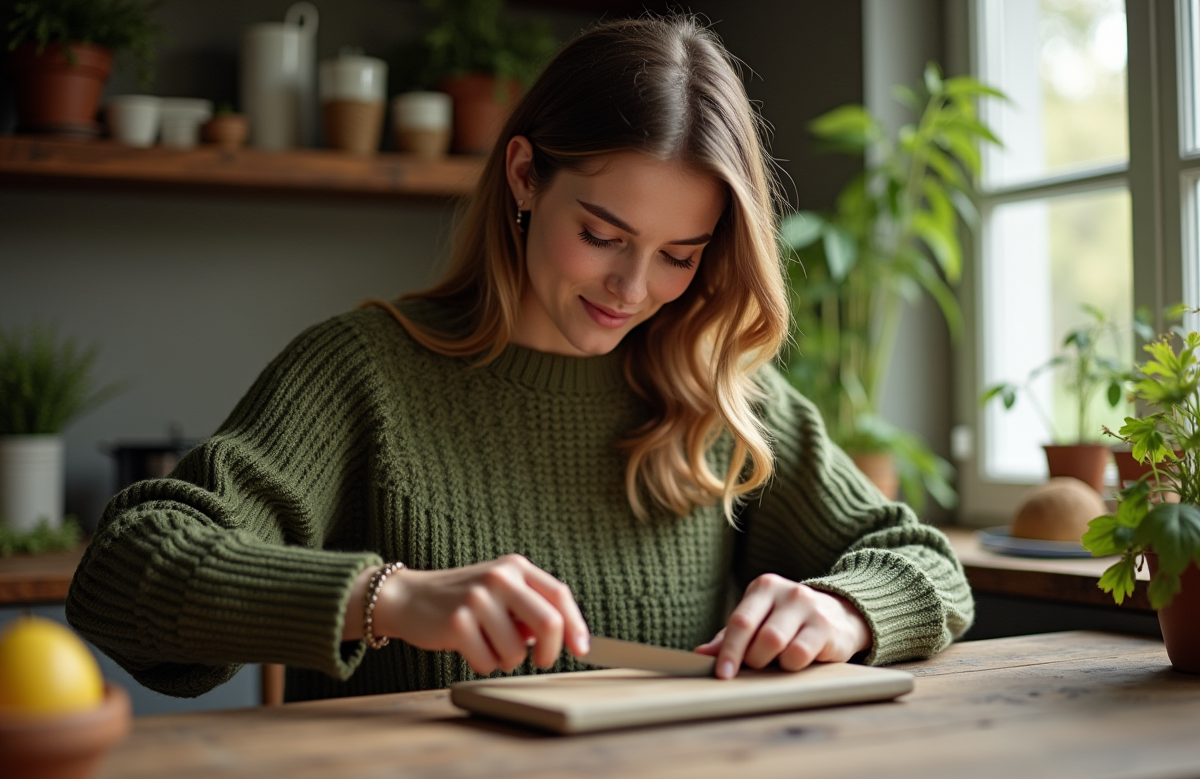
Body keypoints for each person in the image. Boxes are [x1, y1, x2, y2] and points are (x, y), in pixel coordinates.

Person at [66, 15, 973, 702]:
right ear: (525, 176)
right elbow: (122, 573)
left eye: (679, 255)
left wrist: (846, 609)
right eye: (602, 235)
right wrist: (384, 597)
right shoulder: (362, 373)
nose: (633, 288)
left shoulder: (722, 397)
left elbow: (923, 563)